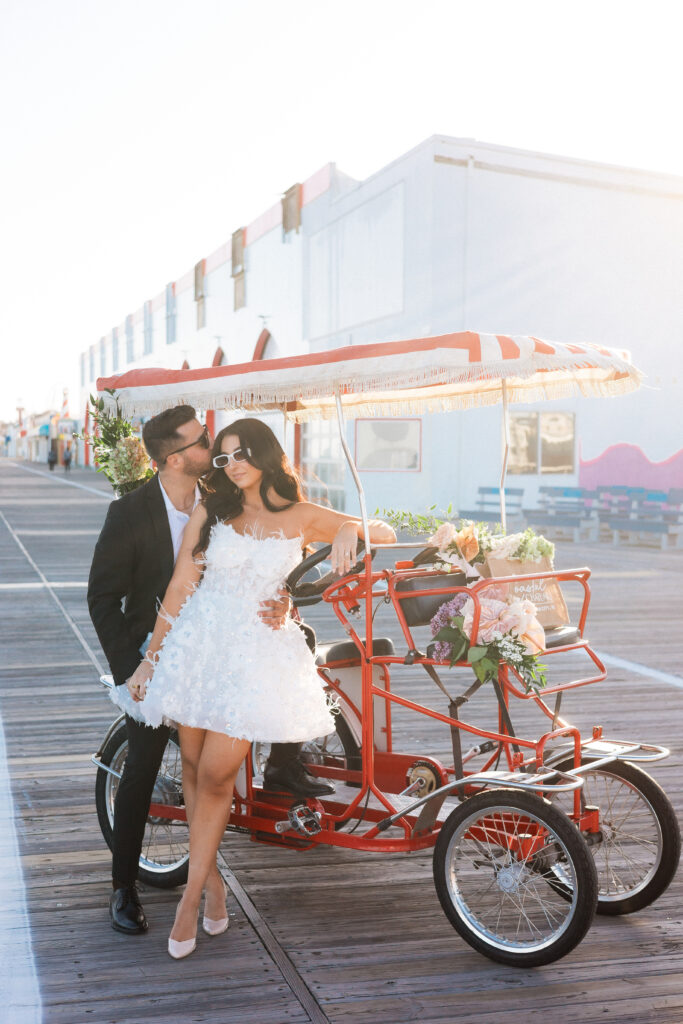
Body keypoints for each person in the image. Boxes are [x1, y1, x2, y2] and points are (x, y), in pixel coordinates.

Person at [127, 419, 396, 959]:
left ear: (267, 454)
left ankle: (189, 903)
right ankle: (216, 890)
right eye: (224, 458)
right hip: (201, 647)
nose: (234, 464)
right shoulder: (213, 510)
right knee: (197, 771)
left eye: (243, 452)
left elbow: (382, 529)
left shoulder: (299, 514)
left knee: (218, 773)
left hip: (257, 655)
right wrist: (149, 661)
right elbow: (181, 584)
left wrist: (347, 530)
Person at [87, 406, 325, 940]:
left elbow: (269, 549)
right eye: (201, 443)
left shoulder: (225, 495)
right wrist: (134, 672)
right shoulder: (128, 513)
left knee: (208, 772)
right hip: (160, 652)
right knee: (146, 764)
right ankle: (124, 885)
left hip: (224, 650)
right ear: (175, 457)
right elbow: (102, 599)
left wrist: (283, 598)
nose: (212, 447)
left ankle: (282, 764)